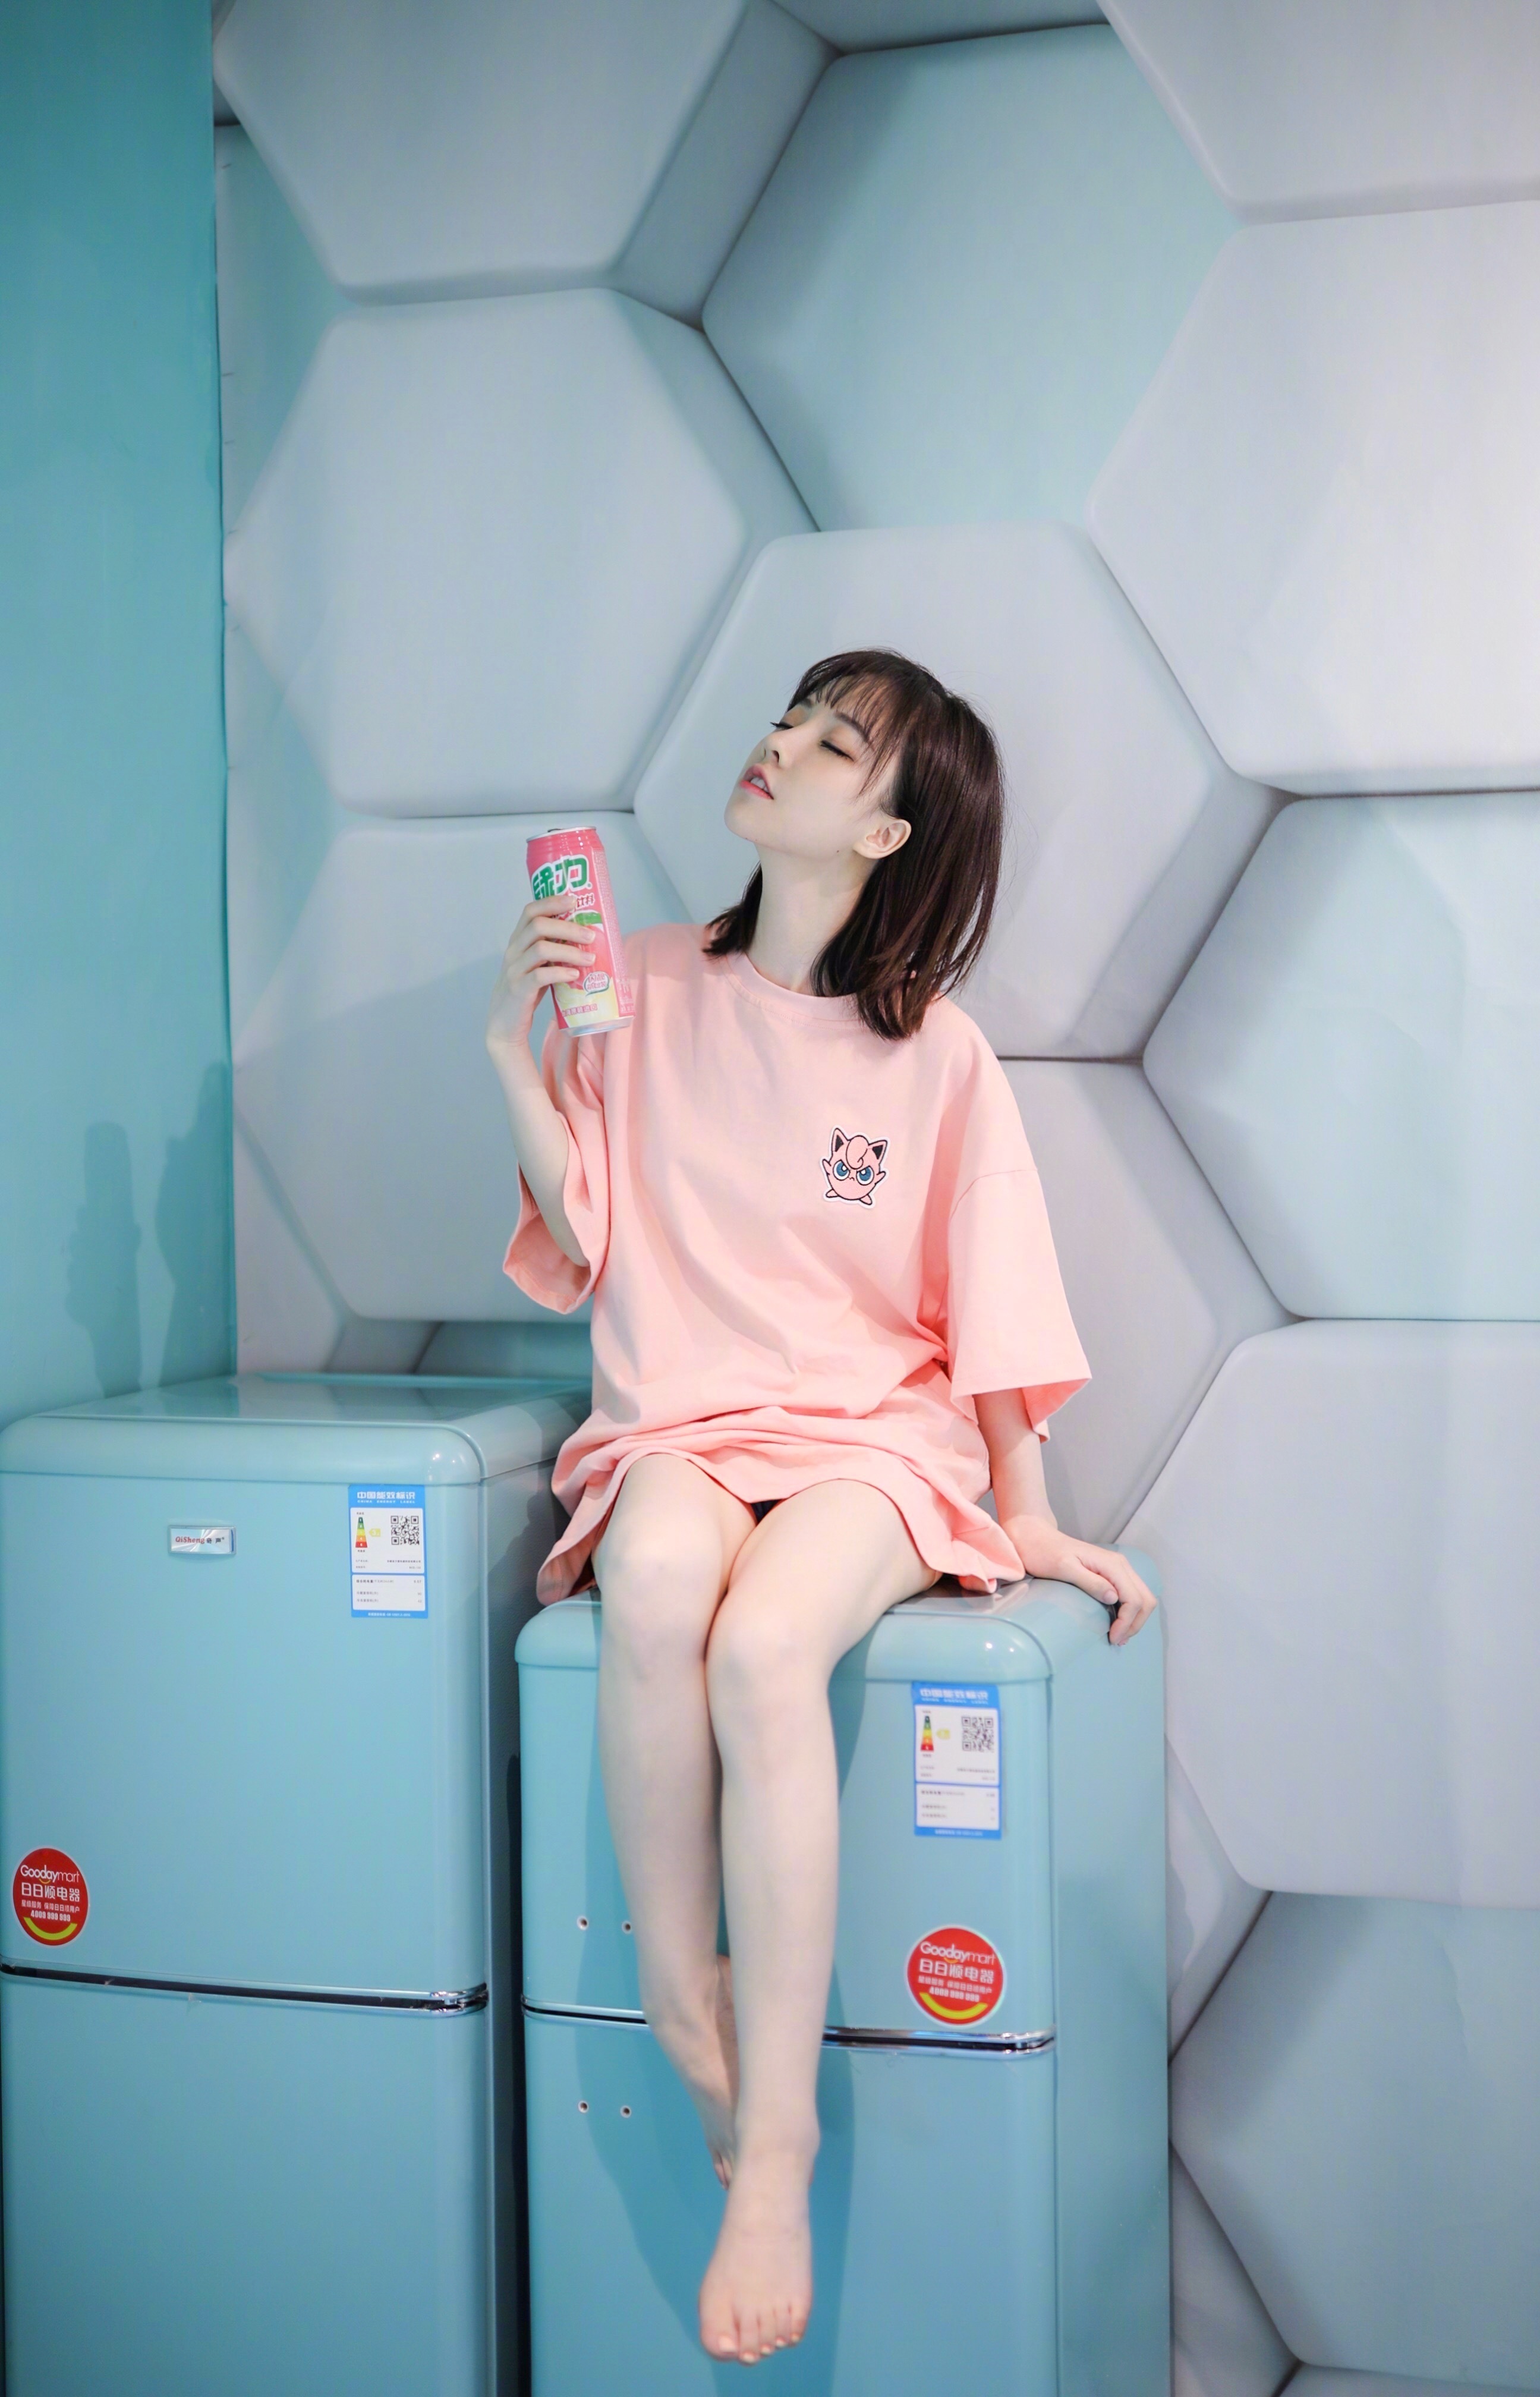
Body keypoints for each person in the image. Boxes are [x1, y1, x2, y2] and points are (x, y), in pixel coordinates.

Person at [485, 650, 1156, 2368]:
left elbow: (990, 1293)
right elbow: (593, 1235)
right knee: (652, 1584)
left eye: (832, 741)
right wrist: (514, 1052)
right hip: (679, 1423)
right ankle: (680, 2002)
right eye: (791, 715)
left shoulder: (939, 1060)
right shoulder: (640, 987)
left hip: (872, 1441)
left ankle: (772, 2151)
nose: (780, 744)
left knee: (768, 1646)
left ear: (887, 829)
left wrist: (1032, 1517)